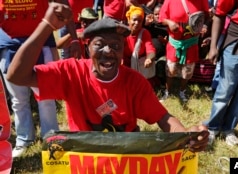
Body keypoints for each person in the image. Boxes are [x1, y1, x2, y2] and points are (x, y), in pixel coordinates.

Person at [6, 2, 209, 153]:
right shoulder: (71, 72)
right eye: (99, 44)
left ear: (123, 50)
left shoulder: (134, 82)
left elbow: (163, 118)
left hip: (126, 157)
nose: (108, 51)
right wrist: (46, 25)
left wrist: (186, 136)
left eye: (116, 46)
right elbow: (17, 75)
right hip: (84, 157)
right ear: (87, 46)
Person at [0, 0, 62, 158]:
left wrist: (54, 49)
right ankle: (24, 139)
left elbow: (57, 11)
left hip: (41, 46)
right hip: (9, 49)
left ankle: (51, 138)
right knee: (18, 100)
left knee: (46, 97)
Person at [204, 0, 238, 146]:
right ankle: (213, 127)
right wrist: (213, 47)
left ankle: (228, 128)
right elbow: (219, 13)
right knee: (226, 88)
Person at [158, 0, 209, 102]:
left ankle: (182, 90)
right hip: (174, 44)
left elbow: (206, 16)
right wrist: (169, 22)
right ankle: (167, 91)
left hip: (192, 43)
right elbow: (161, 18)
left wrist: (203, 26)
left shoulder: (202, 1)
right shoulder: (170, 1)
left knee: (187, 71)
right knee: (170, 70)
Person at [123, 5, 157, 88]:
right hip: (126, 64)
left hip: (141, 65)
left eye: (140, 21)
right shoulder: (123, 33)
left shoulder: (144, 33)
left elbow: (150, 49)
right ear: (128, 20)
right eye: (134, 20)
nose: (137, 23)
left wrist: (149, 59)